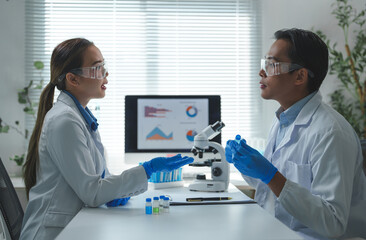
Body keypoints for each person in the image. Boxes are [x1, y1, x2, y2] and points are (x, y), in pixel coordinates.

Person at [20, 38, 194, 239]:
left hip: (72, 226)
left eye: (104, 66)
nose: (106, 74)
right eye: (97, 68)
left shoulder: (79, 116)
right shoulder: (64, 121)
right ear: (73, 79)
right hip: (52, 233)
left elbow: (97, 180)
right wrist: (147, 170)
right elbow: (92, 192)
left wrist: (114, 191)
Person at [225, 28, 366, 240]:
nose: (262, 72)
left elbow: (333, 222)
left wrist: (270, 174)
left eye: (272, 65)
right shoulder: (283, 119)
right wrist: (249, 167)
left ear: (300, 76)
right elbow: (279, 188)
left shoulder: (331, 132)